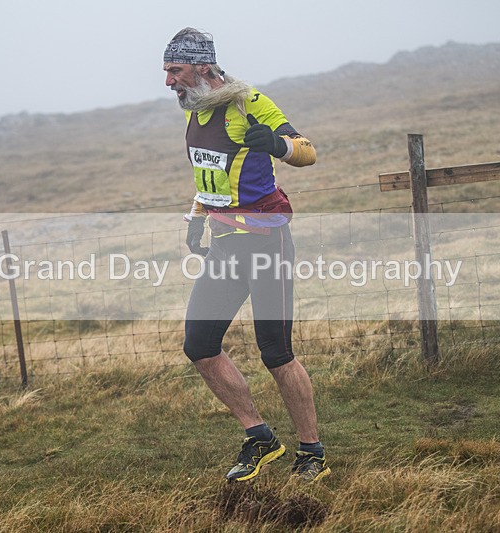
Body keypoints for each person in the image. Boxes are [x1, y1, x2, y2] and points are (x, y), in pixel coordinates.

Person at [163, 27, 330, 483]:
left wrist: (276, 145)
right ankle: (260, 437)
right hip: (224, 243)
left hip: (266, 242)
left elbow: (307, 152)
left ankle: (312, 451)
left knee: (275, 352)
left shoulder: (248, 102)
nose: (168, 82)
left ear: (202, 68)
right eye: (166, 72)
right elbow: (208, 176)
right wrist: (198, 217)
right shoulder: (193, 111)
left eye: (174, 71)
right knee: (199, 345)